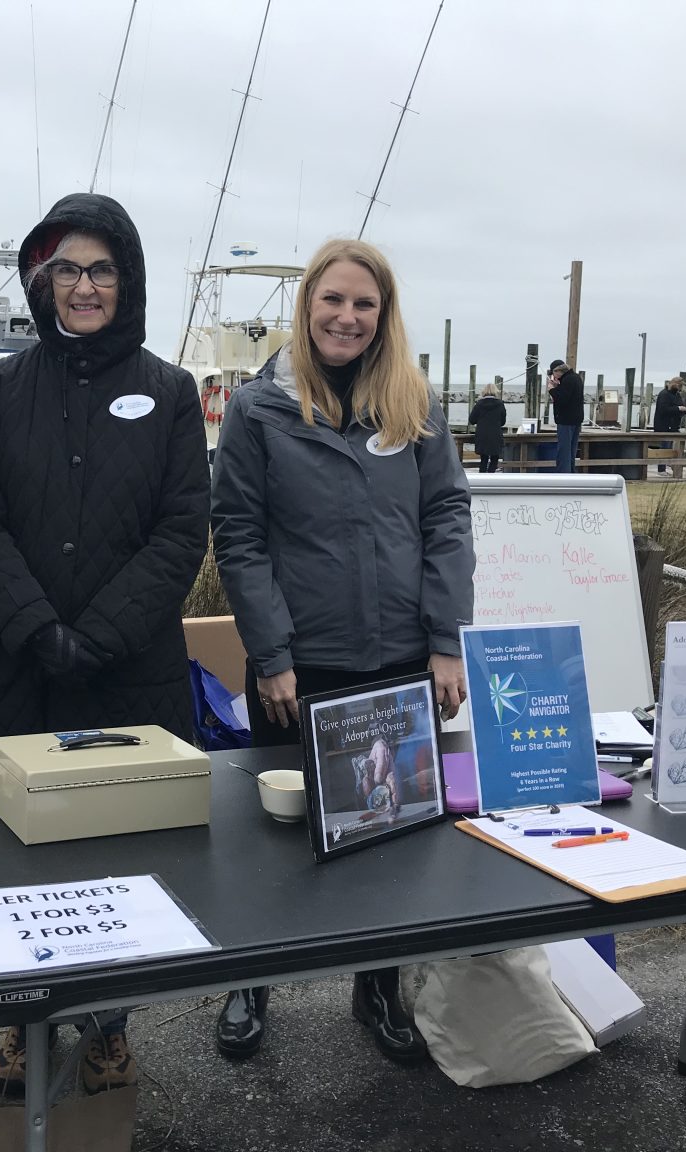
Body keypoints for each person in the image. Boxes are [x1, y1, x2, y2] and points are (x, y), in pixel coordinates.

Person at [0, 193, 209, 1097]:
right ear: (40, 281)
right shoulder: (3, 388)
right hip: (11, 664)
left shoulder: (169, 392)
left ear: (125, 280)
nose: (82, 286)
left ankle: (108, 1028)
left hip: (128, 671)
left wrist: (97, 635)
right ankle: (18, 1023)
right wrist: (36, 627)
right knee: (9, 852)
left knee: (118, 856)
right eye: (65, 270)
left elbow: (181, 532)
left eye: (100, 269)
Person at [209, 237, 475, 1064]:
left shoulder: (415, 405)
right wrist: (273, 652)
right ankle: (250, 979)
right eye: (333, 300)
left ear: (383, 314)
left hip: (400, 661)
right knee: (273, 835)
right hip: (299, 662)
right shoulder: (260, 409)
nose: (347, 317)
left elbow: (447, 521)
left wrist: (446, 642)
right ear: (307, 305)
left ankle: (378, 988)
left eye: (364, 304)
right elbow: (240, 535)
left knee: (390, 839)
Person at [546, 359, 584, 473]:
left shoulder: (567, 380)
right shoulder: (576, 378)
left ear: (558, 371)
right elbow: (569, 396)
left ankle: (564, 475)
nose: (554, 377)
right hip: (576, 419)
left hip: (566, 420)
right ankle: (571, 474)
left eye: (553, 374)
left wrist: (552, 390)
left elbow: (562, 399)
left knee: (564, 451)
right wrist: (558, 387)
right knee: (571, 451)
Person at [652, 376, 686, 474]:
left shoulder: (677, 395)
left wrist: (684, 410)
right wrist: (678, 409)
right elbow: (663, 409)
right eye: (680, 385)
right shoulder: (664, 394)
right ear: (676, 385)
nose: (681, 388)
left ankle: (672, 465)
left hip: (673, 426)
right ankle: (661, 469)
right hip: (663, 426)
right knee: (665, 447)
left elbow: (679, 406)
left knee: (673, 447)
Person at [469, 382, 506, 472]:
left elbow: (472, 420)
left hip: (482, 434)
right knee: (495, 458)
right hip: (495, 434)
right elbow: (503, 421)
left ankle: (482, 477)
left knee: (483, 459)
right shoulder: (500, 404)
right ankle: (491, 476)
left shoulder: (479, 404)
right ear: (495, 392)